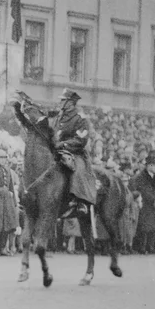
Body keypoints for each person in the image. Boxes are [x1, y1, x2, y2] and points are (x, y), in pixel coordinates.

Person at [52, 88, 97, 218]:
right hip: (56, 150)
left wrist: (63, 144)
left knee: (78, 169)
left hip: (75, 152)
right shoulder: (59, 116)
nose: (60, 102)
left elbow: (81, 140)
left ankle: (80, 201)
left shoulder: (80, 118)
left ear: (70, 103)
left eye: (63, 100)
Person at [129, 152, 155, 254]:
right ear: (148, 166)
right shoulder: (141, 177)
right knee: (144, 227)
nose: (154, 167)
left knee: (153, 227)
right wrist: (154, 199)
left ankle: (150, 247)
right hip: (146, 204)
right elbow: (143, 190)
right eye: (152, 165)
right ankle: (142, 247)